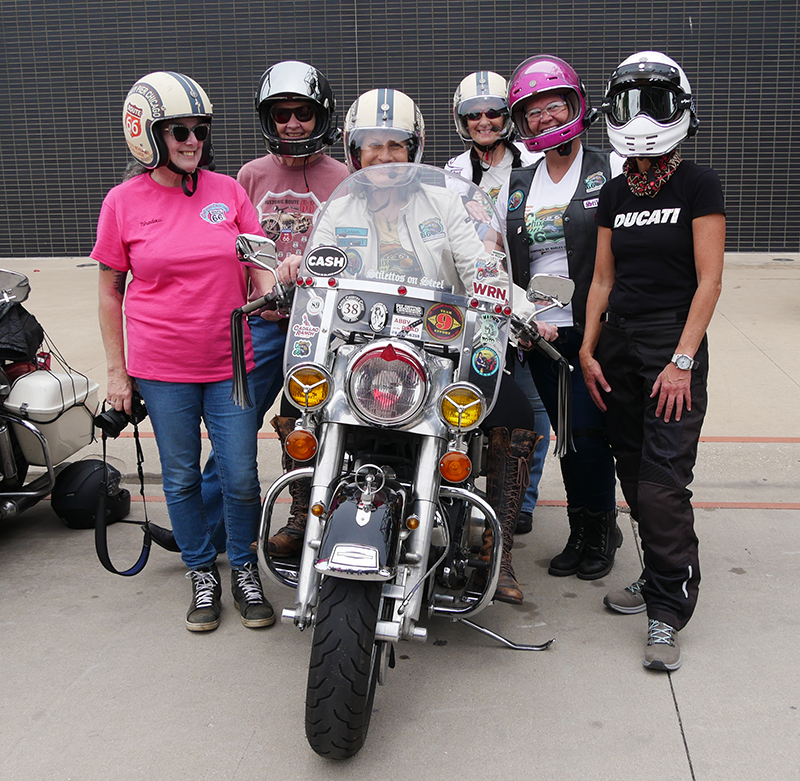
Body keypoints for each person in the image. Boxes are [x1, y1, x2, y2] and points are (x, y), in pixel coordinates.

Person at [276, 87, 542, 604]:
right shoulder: (340, 208)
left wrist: (523, 307)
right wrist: (294, 274)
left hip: (437, 349)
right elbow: (318, 266)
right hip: (360, 350)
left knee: (514, 414)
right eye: (371, 145)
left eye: (395, 144)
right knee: (297, 400)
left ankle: (498, 548)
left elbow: (478, 267)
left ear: (414, 149)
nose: (384, 155)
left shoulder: (444, 201)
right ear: (354, 152)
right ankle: (302, 507)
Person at [94, 72, 275, 632]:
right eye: (179, 131)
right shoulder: (123, 203)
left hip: (230, 365)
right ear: (147, 135)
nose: (193, 140)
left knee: (241, 475)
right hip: (161, 369)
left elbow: (260, 264)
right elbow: (108, 292)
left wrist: (271, 296)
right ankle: (202, 572)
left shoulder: (230, 192)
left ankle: (242, 566)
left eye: (199, 130)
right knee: (180, 479)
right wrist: (118, 376)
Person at [580, 51, 725, 671]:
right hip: (618, 345)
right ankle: (657, 571)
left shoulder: (698, 184)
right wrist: (588, 346)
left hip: (673, 344)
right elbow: (603, 281)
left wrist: (683, 361)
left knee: (665, 485)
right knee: (634, 474)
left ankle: (667, 611)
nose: (641, 121)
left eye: (654, 106)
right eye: (630, 106)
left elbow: (710, 280)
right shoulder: (614, 192)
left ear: (680, 110)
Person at [201, 61, 348, 552]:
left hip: (325, 328)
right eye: (282, 114)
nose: (292, 124)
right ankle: (208, 530)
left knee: (320, 426)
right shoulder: (251, 174)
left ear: (319, 114)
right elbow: (234, 247)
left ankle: (316, 522)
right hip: (263, 323)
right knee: (234, 425)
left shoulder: (344, 177)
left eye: (302, 113)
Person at [494, 55, 622, 580]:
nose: (546, 118)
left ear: (575, 104)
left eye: (555, 106)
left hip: (595, 330)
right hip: (540, 333)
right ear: (521, 123)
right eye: (533, 112)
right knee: (567, 438)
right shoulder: (516, 182)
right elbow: (491, 252)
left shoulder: (608, 167)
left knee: (592, 437)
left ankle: (601, 531)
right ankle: (583, 527)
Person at [445, 70, 550, 536]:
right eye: (473, 115)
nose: (484, 121)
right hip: (473, 302)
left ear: (508, 116)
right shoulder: (450, 173)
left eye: (493, 112)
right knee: (463, 404)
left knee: (532, 407)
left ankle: (517, 504)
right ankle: (456, 497)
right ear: (461, 120)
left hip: (524, 295)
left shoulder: (534, 163)